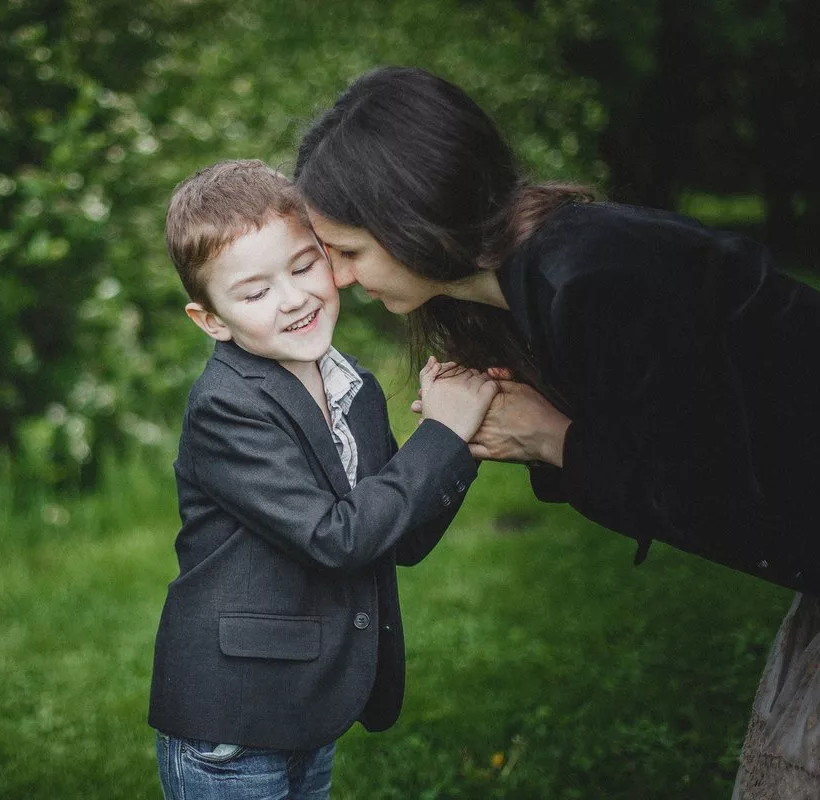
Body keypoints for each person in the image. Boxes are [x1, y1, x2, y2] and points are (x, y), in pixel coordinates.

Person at [293, 65, 820, 798]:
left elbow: (721, 507)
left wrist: (553, 439)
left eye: (347, 252)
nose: (339, 280)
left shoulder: (592, 283)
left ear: (409, 216)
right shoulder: (541, 279)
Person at [148, 159, 495, 799]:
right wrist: (441, 437)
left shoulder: (353, 385)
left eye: (304, 266)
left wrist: (461, 444)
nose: (293, 298)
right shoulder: (229, 406)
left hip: (306, 705)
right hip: (234, 720)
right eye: (254, 293)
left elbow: (401, 534)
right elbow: (336, 537)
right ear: (212, 320)